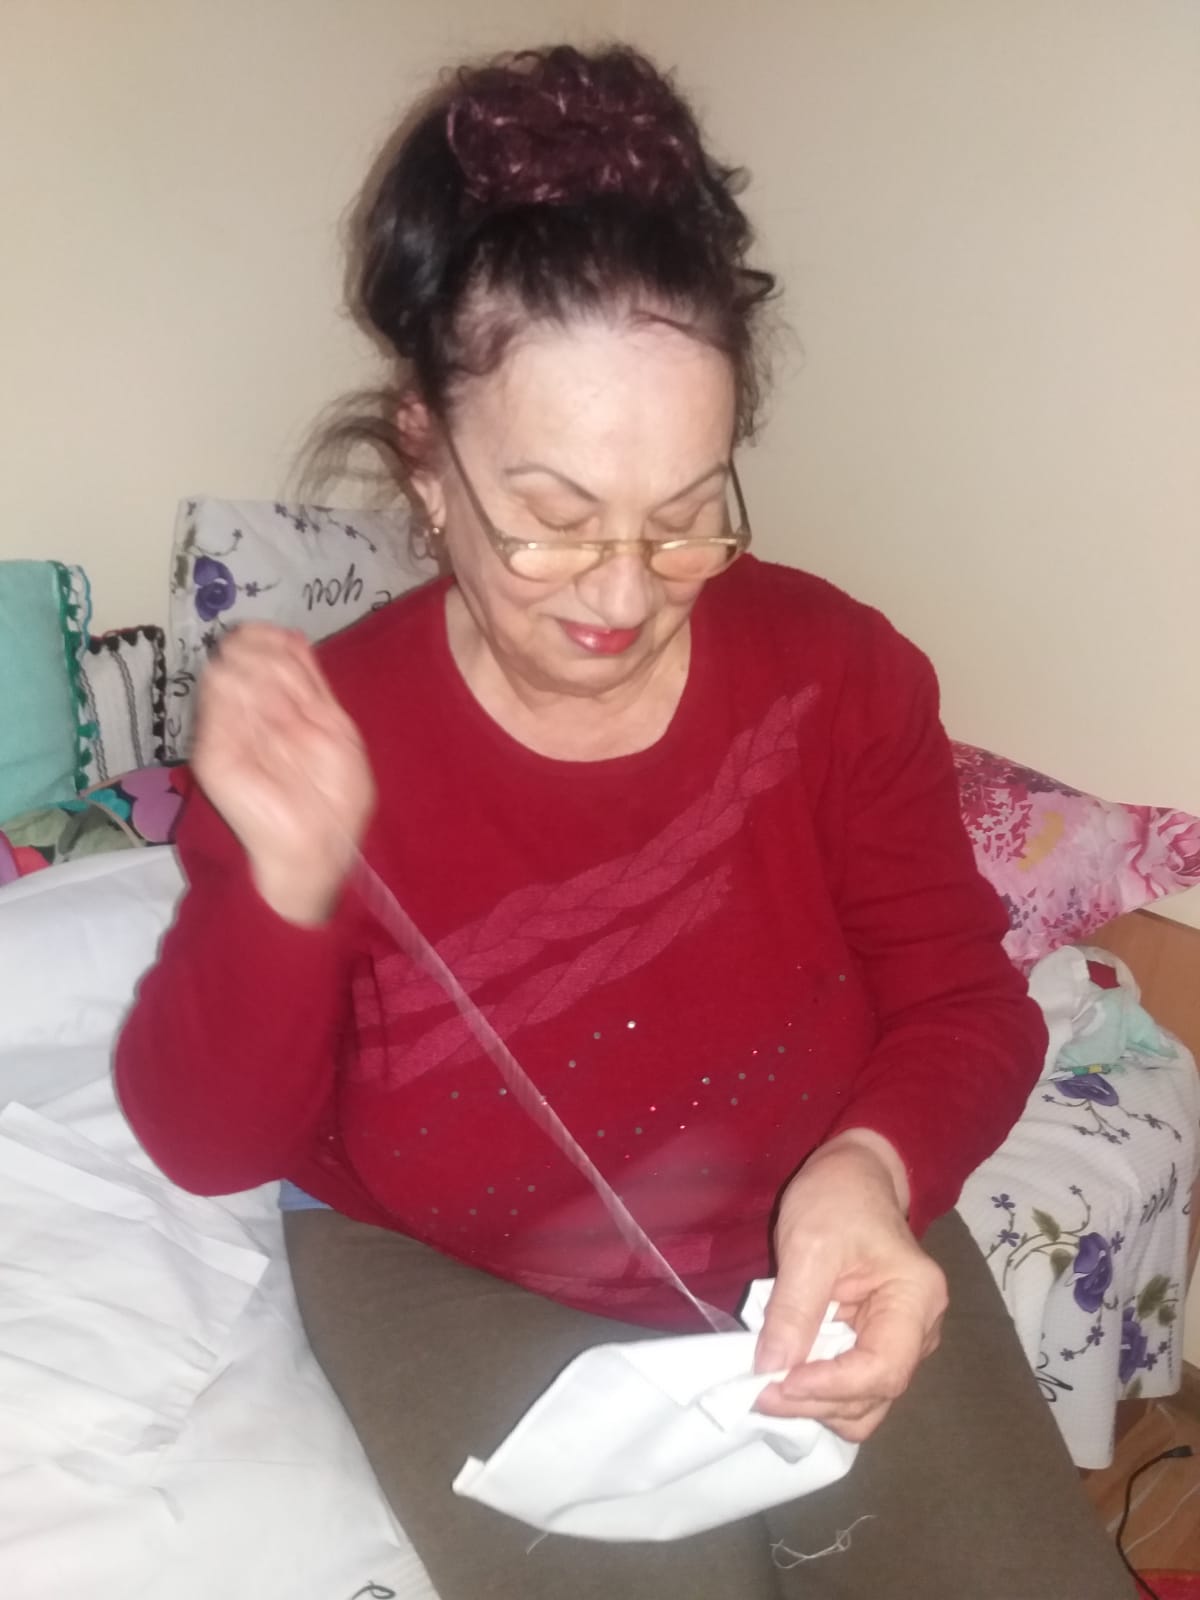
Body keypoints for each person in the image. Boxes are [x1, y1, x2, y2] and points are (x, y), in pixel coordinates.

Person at [115, 43, 1133, 1600]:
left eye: (684, 517)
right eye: (552, 519)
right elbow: (206, 1142)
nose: (620, 592)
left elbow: (961, 998)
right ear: (425, 459)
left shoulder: (838, 673)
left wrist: (870, 1170)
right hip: (448, 1267)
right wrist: (284, 887)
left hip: (828, 1209)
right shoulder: (322, 741)